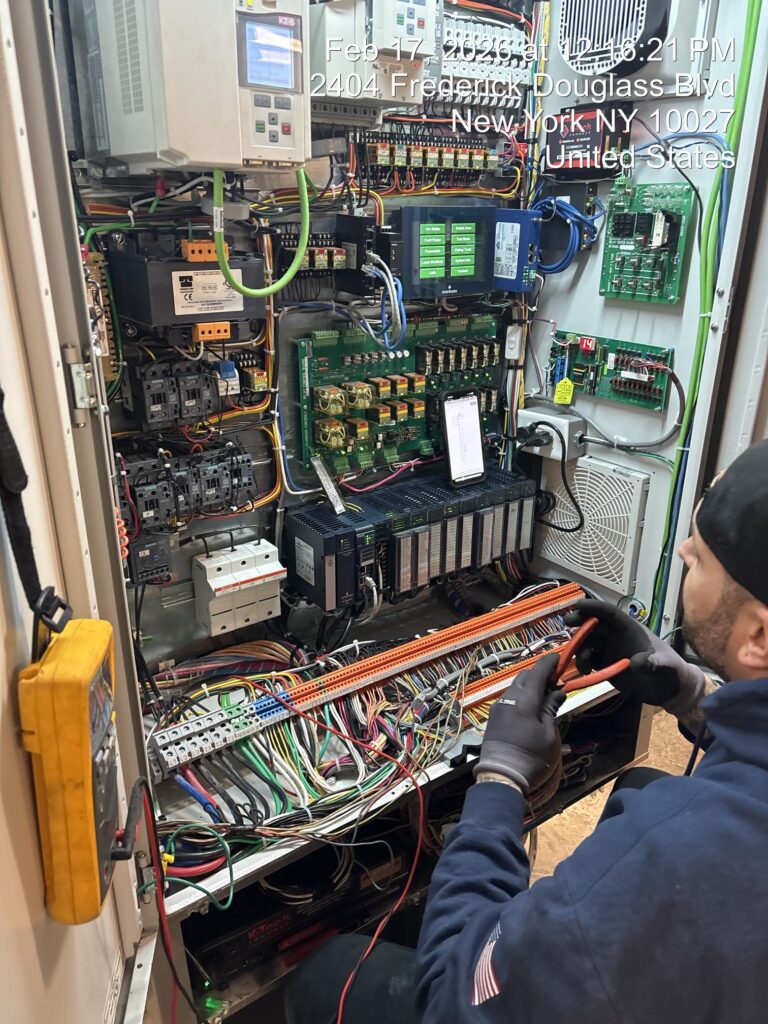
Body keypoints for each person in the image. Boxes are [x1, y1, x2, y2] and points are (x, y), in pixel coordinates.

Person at [285, 439, 768, 1024]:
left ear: (758, 637)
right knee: (640, 783)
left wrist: (499, 780)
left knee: (324, 974)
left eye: (702, 557)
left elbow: (454, 995)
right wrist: (695, 698)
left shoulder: (676, 867)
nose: (685, 550)